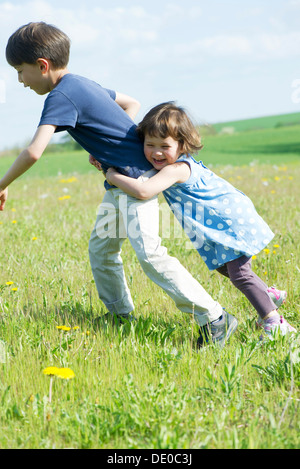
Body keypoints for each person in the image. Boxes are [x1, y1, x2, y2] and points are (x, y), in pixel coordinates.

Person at [0, 22, 237, 349]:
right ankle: (120, 315)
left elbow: (33, 151)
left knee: (151, 255)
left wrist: (3, 183)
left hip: (136, 181)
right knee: (101, 249)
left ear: (42, 65)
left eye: (20, 71)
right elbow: (132, 103)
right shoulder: (82, 84)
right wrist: (108, 148)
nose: (20, 81)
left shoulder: (60, 95)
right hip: (121, 185)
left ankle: (214, 317)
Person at [105, 101, 297, 340]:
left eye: (164, 146)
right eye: (149, 144)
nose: (155, 152)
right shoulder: (168, 165)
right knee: (224, 267)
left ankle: (274, 322)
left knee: (239, 274)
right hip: (221, 223)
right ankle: (266, 295)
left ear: (182, 145)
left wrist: (111, 175)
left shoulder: (175, 169)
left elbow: (143, 191)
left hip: (229, 222)